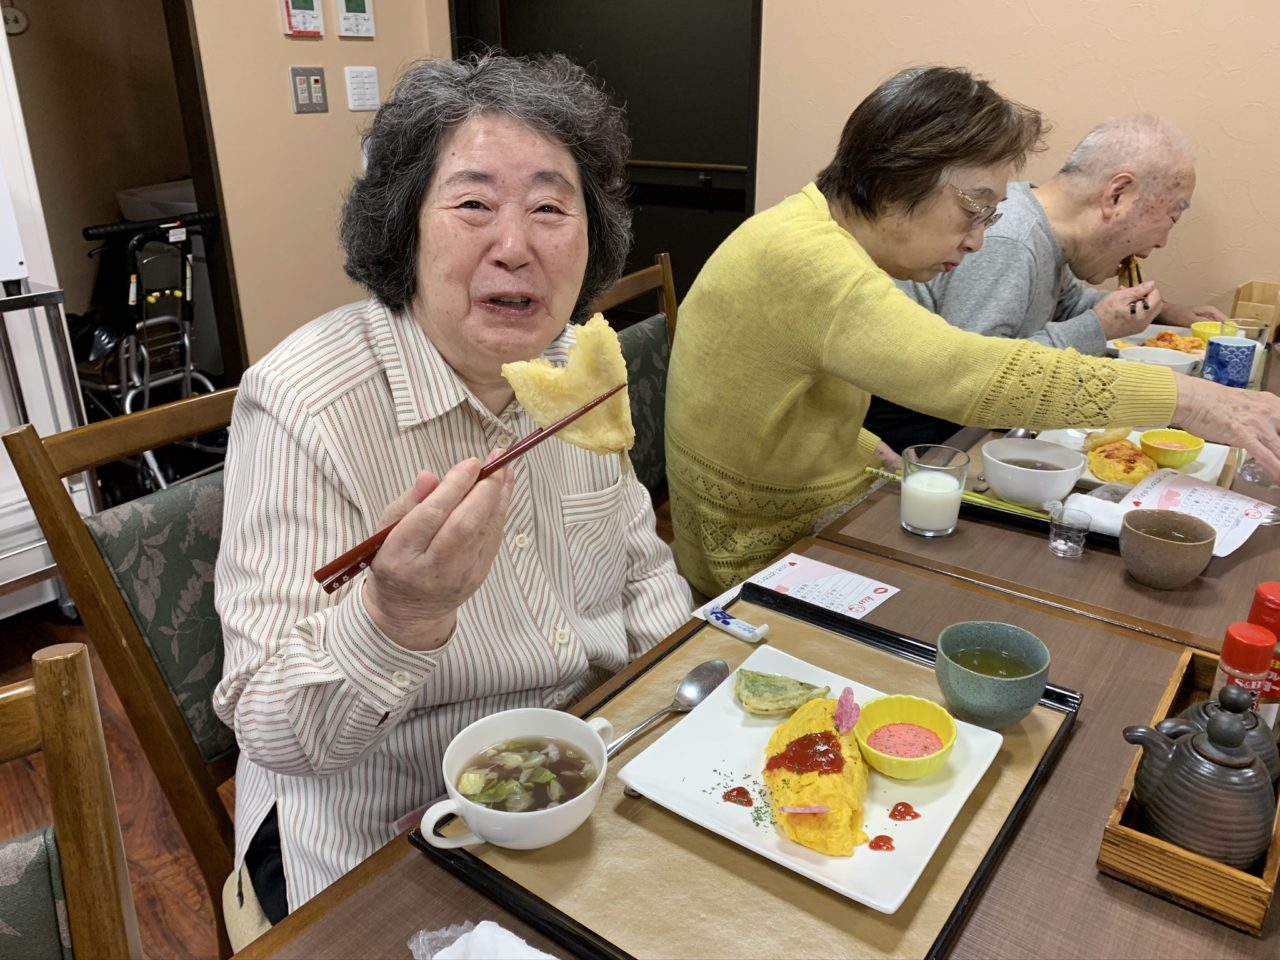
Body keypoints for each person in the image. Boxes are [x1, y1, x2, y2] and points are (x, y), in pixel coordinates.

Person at [212, 53, 691, 927]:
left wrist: (681, 724)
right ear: (403, 230)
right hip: (384, 831)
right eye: (473, 205)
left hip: (588, 775)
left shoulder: (576, 374)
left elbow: (642, 570)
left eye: (550, 208)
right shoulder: (303, 404)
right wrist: (398, 614)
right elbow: (271, 729)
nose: (515, 246)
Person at [665, 65, 1280, 598]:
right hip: (757, 552)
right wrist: (1188, 399)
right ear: (899, 178)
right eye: (974, 210)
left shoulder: (809, 228)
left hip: (820, 502)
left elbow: (776, 399)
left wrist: (863, 446)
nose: (979, 240)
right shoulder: (811, 261)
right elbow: (970, 372)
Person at [866, 115, 1231, 451]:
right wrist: (1098, 328)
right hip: (918, 437)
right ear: (1117, 195)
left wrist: (1161, 312)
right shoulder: (1011, 239)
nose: (1162, 243)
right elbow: (979, 379)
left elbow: (1066, 303)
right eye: (1172, 217)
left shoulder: (1047, 237)